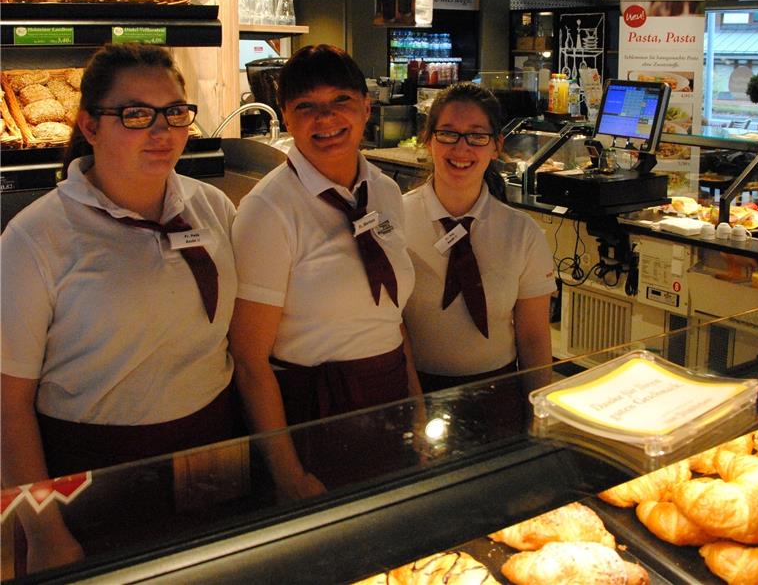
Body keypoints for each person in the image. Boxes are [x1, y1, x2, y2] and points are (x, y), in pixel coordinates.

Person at [1, 43, 241, 572]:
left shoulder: (214, 208)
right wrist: (44, 530)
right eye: (136, 114)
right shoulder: (35, 238)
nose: (163, 131)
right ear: (90, 126)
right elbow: (7, 404)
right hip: (91, 472)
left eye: (176, 112)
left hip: (212, 450)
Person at [229, 44, 420, 499]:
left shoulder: (387, 191)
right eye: (307, 107)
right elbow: (250, 359)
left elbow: (392, 317)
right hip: (314, 410)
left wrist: (415, 406)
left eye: (341, 101)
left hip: (389, 392)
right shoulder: (268, 210)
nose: (327, 119)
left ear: (365, 106)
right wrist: (288, 473)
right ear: (286, 118)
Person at [402, 82, 557, 393]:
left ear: (496, 146)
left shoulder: (521, 233)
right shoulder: (396, 221)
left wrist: (538, 414)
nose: (462, 148)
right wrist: (413, 405)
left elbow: (533, 337)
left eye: (477, 136)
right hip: (413, 390)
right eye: (448, 133)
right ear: (428, 139)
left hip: (498, 392)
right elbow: (390, 329)